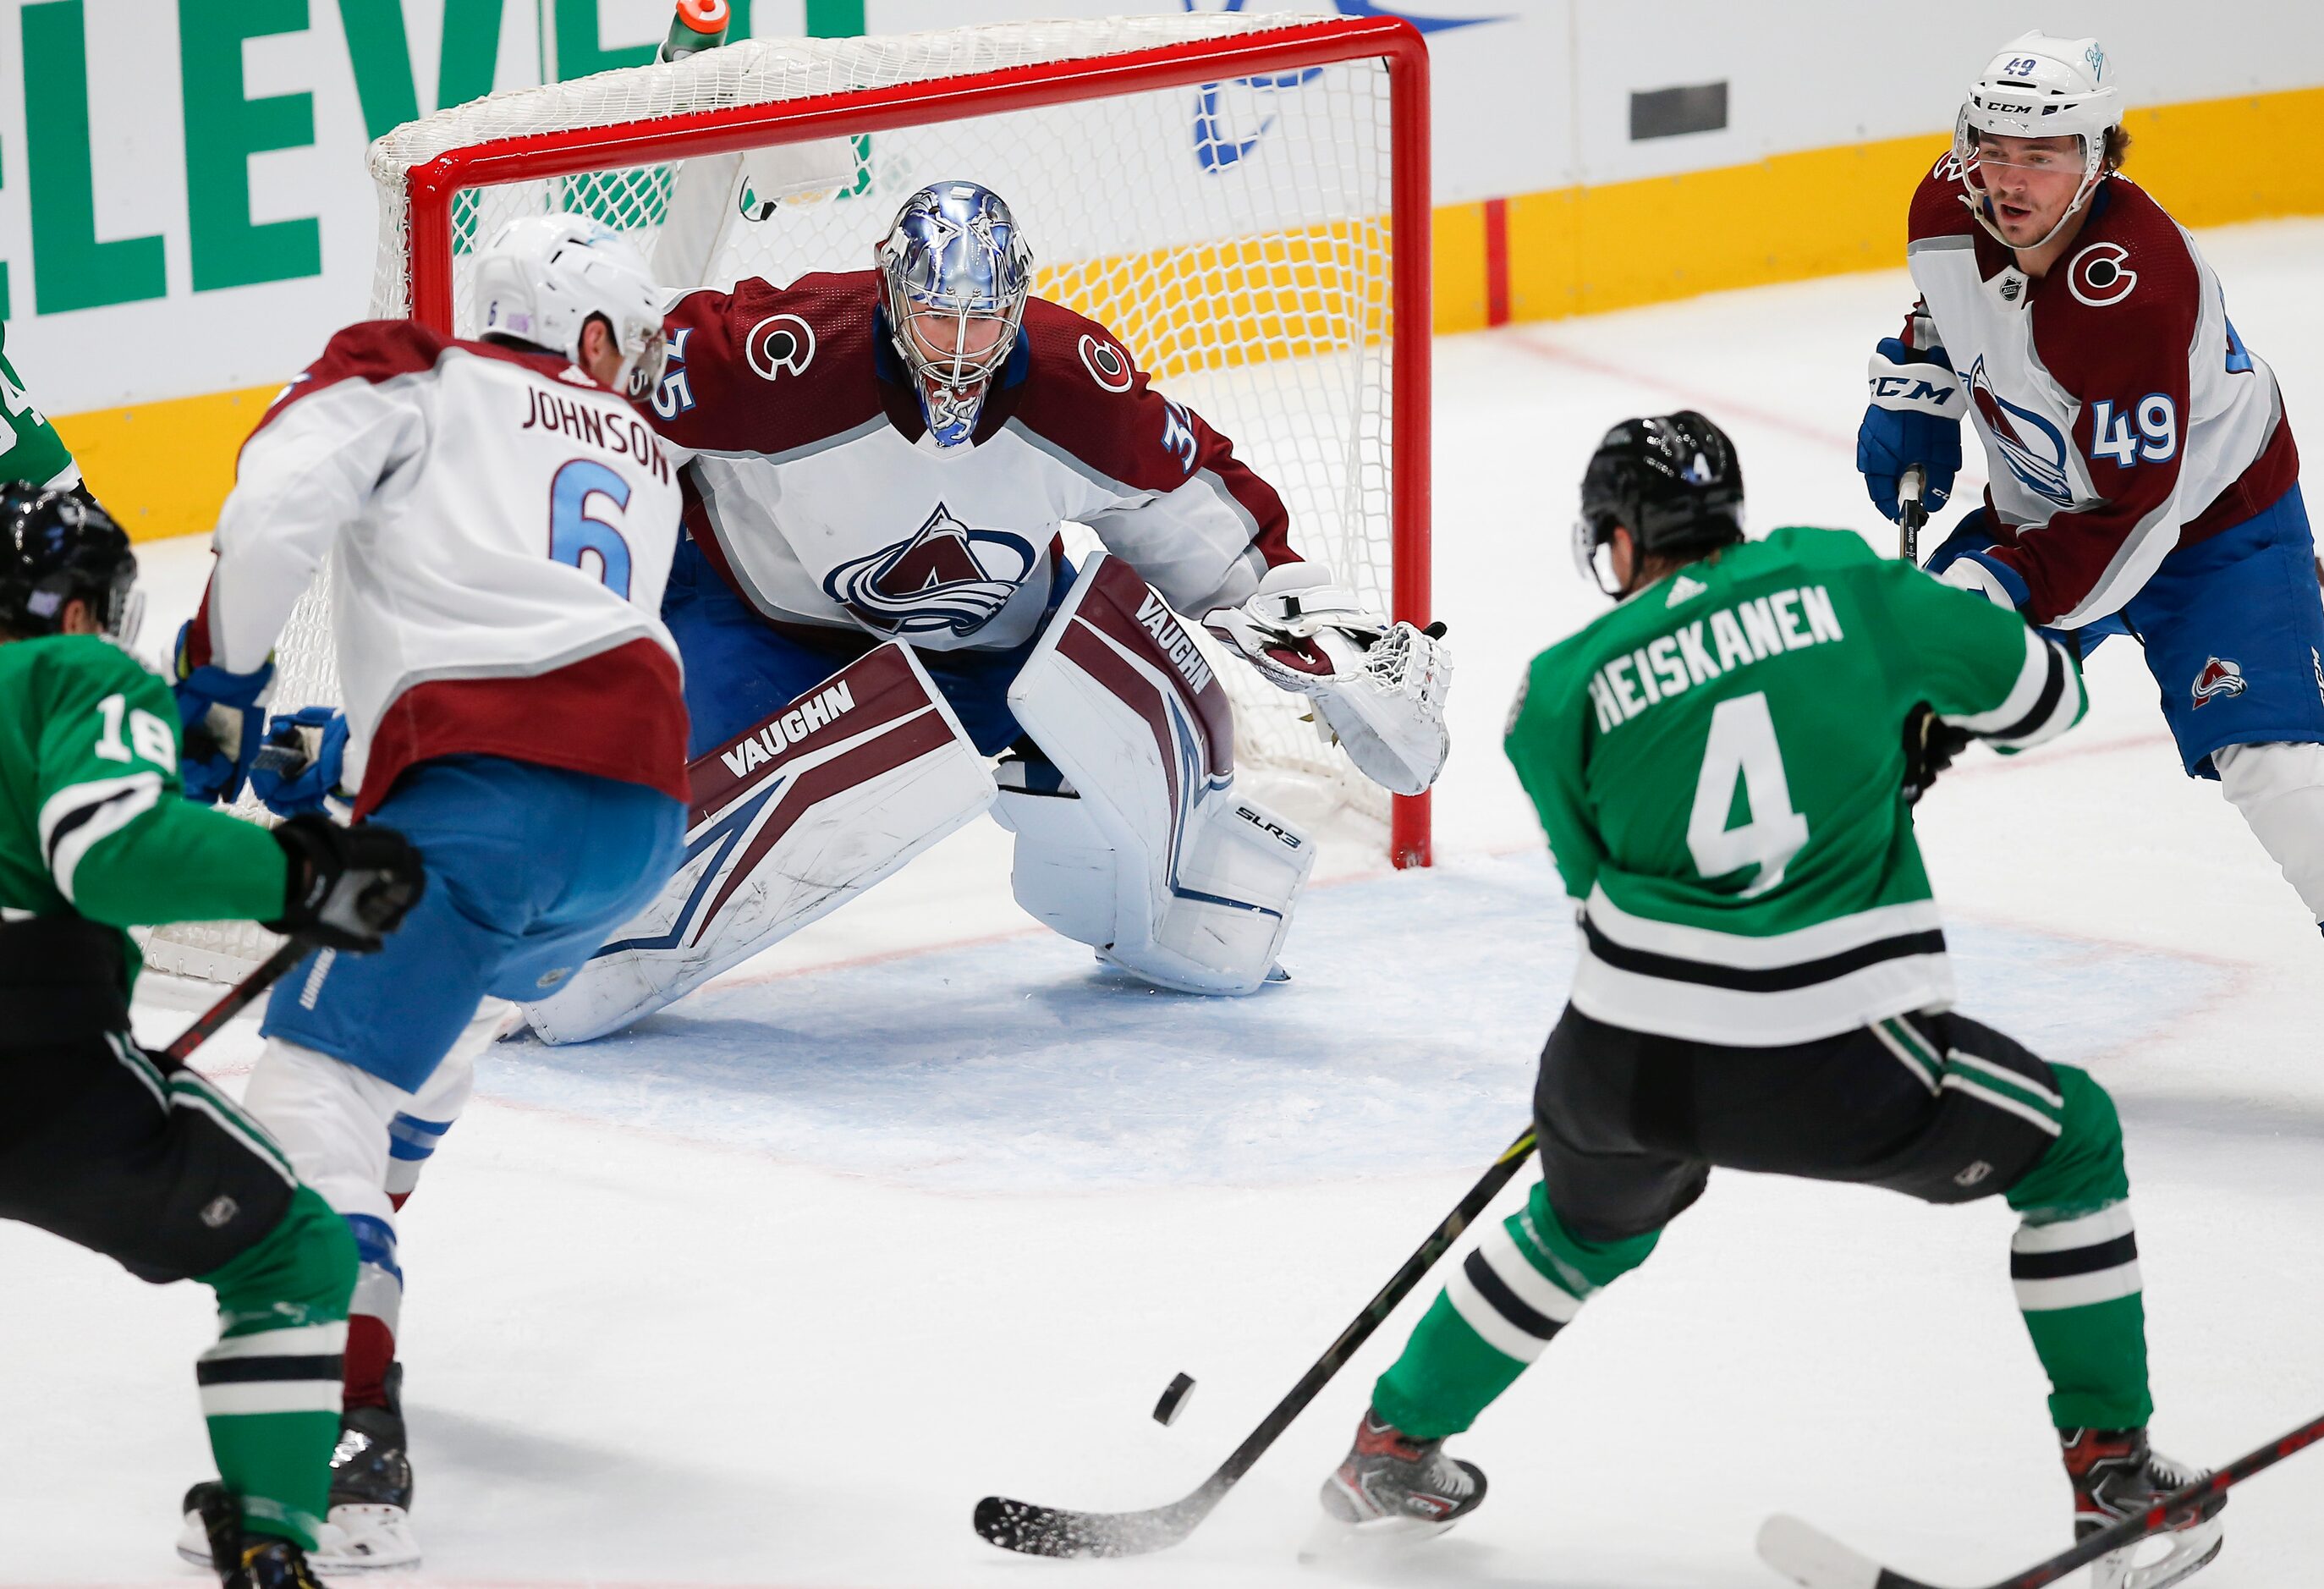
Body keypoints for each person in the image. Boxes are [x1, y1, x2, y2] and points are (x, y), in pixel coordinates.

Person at [1312, 414, 2222, 1589]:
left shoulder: (1555, 691)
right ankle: (2111, 1467)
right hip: (1836, 1063)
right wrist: (1913, 717)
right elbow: (2048, 701)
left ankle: (1388, 1448)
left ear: (1622, 539)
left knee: (1586, 1220)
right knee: (2074, 1139)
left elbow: (1601, 896)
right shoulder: (1845, 578)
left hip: (1613, 1058)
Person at [518, 179, 1452, 1045]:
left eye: (984, 318)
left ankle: (1185, 897)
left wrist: (1315, 628)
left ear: (1017, 303)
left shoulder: (1075, 382)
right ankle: (505, 901)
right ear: (889, 294)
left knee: (1113, 648)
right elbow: (608, 389)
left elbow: (1193, 508)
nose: (960, 348)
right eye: (935, 316)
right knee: (621, 774)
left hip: (986, 664)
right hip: (772, 634)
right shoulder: (784, 353)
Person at [167, 215, 692, 1570]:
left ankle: (345, 1442)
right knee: (416, 1070)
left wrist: (220, 685)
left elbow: (278, 503)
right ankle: (361, 1293)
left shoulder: (417, 365)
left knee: (308, 1102)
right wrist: (351, 784)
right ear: (585, 332)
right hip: (630, 825)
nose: (621, 366)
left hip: (490, 800)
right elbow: (522, 625)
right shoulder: (645, 458)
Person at [0, 483, 423, 1587]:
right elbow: (113, 850)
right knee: (294, 1251)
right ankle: (272, 1534)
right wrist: (304, 874)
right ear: (79, 610)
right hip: (27, 1064)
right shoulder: (71, 671)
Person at [1860, 30, 2318, 937]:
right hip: (2043, 513)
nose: (2008, 180)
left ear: (2099, 159)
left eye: (2041, 156)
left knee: (2278, 770)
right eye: (1990, 150)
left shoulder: (2133, 294)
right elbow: (1948, 319)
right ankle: (1806, 960)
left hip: (2214, 533)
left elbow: (2129, 517)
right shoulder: (1944, 206)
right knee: (1870, 705)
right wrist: (1922, 383)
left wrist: (1996, 586)